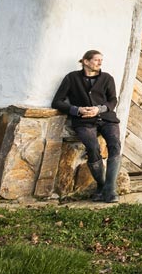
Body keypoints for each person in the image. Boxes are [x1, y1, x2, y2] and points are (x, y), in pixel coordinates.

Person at [52, 50, 122, 203]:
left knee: (115, 145)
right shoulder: (71, 78)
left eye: (101, 60)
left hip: (106, 118)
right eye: (96, 60)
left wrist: (99, 109)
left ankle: (110, 190)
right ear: (85, 61)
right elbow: (57, 101)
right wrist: (77, 110)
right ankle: (103, 186)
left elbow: (113, 100)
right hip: (83, 121)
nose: (100, 63)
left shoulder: (107, 78)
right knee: (92, 147)